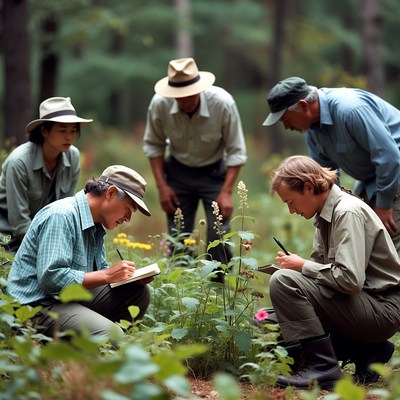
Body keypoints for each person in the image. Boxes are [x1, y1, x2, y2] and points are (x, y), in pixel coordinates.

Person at [264, 155, 400, 389]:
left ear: (308, 187)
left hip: (381, 307)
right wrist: (301, 271)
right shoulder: (324, 216)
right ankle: (366, 350)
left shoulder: (347, 212)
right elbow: (323, 281)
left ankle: (322, 369)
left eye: (291, 201)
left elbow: (350, 280)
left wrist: (301, 267)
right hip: (357, 305)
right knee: (267, 322)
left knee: (283, 281)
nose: (291, 210)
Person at [6, 165, 152, 340]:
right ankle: (100, 343)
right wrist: (107, 275)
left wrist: (128, 279)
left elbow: (97, 276)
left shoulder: (96, 224)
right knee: (112, 335)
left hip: (66, 299)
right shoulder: (62, 215)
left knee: (139, 293)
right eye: (128, 210)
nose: (128, 218)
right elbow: (51, 278)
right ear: (111, 193)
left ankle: (94, 345)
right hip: (37, 306)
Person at [262, 77, 400, 257]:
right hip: (372, 180)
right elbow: (326, 180)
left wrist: (383, 205)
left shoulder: (350, 110)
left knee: (387, 247)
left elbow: (389, 156)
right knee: (357, 235)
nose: (286, 127)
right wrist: (328, 218)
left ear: (303, 106)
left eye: (286, 119)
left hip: (394, 172)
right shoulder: (312, 133)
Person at [143, 57, 247, 280]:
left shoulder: (223, 103)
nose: (185, 99)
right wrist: (162, 187)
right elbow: (154, 146)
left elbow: (237, 151)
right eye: (179, 96)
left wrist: (227, 192)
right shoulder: (159, 105)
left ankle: (218, 291)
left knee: (217, 235)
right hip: (177, 173)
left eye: (190, 93)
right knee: (178, 236)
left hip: (215, 173)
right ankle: (182, 290)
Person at [0, 97, 93, 253]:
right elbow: (20, 226)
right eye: (62, 130)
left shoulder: (73, 157)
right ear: (44, 131)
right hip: (8, 240)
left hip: (47, 238)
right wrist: (53, 248)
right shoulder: (19, 162)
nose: (69, 137)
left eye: (73, 130)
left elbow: (67, 209)